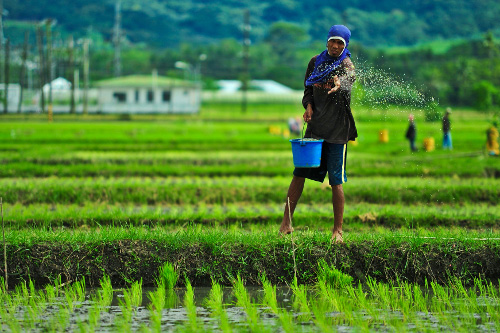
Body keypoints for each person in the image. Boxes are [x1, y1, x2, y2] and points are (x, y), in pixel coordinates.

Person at [279, 25, 357, 243]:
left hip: (337, 131)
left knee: (336, 180)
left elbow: (349, 80)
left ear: (345, 45)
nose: (335, 46)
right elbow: (307, 89)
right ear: (327, 41)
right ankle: (286, 224)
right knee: (299, 173)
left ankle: (338, 231)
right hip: (315, 128)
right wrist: (309, 105)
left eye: (340, 43)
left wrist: (340, 84)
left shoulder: (346, 65)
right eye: (333, 41)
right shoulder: (315, 62)